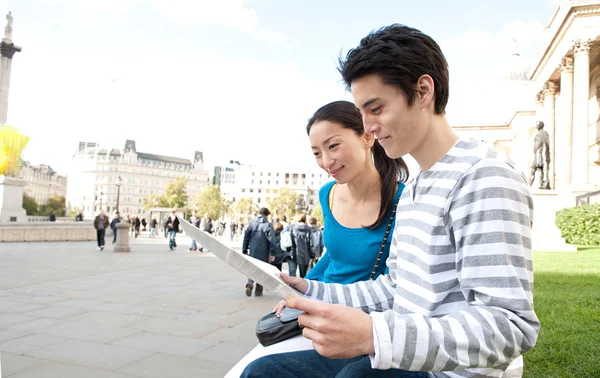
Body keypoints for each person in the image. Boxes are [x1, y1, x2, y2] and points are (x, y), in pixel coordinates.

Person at [241, 24, 539, 378]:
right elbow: (393, 288)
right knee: (264, 372)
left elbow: (509, 325)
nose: (368, 127)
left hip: (447, 371)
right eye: (362, 113)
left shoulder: (484, 178)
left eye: (376, 108)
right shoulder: (414, 189)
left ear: (423, 90)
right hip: (399, 354)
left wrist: (375, 335)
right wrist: (308, 289)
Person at [226, 100, 408, 377]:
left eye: (333, 146)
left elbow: (392, 285)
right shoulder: (328, 193)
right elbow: (332, 257)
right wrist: (297, 290)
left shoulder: (403, 200)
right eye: (316, 153)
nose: (326, 161)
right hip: (317, 308)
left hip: (360, 319)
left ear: (367, 137)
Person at [242, 207, 273, 297]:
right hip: (264, 251)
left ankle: (250, 283)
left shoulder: (252, 223)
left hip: (253, 250)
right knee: (262, 270)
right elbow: (271, 240)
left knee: (253, 268)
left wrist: (245, 249)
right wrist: (273, 252)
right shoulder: (268, 224)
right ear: (267, 215)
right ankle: (258, 291)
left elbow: (246, 236)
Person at [289, 213, 313, 278]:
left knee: (292, 275)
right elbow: (311, 243)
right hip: (305, 255)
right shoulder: (308, 229)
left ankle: (292, 287)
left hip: (294, 254)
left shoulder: (293, 228)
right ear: (305, 219)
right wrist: (312, 254)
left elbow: (291, 241)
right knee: (303, 276)